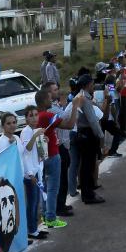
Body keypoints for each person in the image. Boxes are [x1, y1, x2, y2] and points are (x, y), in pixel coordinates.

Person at [35, 88, 80, 228]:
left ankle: (45, 215)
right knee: (53, 188)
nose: (52, 100)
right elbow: (70, 124)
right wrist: (75, 107)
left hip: (41, 157)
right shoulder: (47, 115)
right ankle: (51, 218)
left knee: (45, 187)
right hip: (53, 154)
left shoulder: (36, 116)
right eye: (49, 98)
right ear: (43, 101)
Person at [75, 74, 106, 204]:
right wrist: (101, 136)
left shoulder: (82, 97)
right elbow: (93, 121)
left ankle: (87, 193)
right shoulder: (85, 100)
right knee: (88, 166)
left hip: (83, 134)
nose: (93, 86)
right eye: (92, 84)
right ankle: (88, 195)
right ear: (87, 85)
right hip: (88, 134)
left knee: (86, 166)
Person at [19, 105, 49, 242]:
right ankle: (31, 230)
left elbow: (39, 152)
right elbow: (27, 150)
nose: (34, 118)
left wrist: (44, 142)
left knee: (36, 202)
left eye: (36, 114)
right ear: (26, 118)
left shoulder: (35, 130)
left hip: (37, 170)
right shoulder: (26, 132)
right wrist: (36, 135)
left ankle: (34, 229)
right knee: (32, 202)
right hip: (29, 172)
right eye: (31, 115)